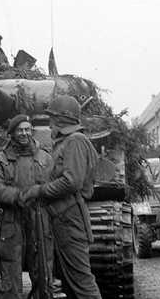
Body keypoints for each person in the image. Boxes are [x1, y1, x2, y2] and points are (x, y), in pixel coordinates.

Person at [21, 95, 102, 299]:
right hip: (62, 217)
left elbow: (71, 181)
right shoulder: (67, 142)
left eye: (52, 119)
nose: (49, 124)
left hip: (69, 216)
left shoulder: (75, 141)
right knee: (69, 282)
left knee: (81, 281)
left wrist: (40, 190)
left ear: (61, 120)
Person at [0, 114, 54, 299]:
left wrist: (39, 193)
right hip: (11, 217)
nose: (24, 133)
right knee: (10, 265)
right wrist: (19, 196)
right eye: (20, 130)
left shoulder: (45, 157)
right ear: (12, 133)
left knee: (42, 264)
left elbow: (53, 185)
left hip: (39, 216)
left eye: (27, 129)